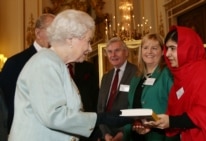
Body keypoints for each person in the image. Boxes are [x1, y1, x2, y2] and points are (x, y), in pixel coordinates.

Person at [8, 9, 133, 141]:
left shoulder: (57, 64)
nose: (90, 48)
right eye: (88, 41)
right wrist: (100, 118)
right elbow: (54, 116)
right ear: (70, 40)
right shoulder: (44, 63)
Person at [137, 26, 206, 141]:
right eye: (167, 48)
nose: (167, 54)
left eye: (172, 48)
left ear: (187, 48)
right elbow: (178, 114)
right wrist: (154, 125)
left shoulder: (204, 70)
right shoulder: (182, 74)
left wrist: (171, 121)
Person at [0, 13, 55, 133]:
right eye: (52, 30)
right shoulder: (15, 63)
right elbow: (8, 104)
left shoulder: (59, 62)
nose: (55, 36)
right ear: (38, 33)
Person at [122, 33, 180, 141]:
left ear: (163, 51)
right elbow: (131, 106)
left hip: (160, 135)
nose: (149, 52)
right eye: (145, 48)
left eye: (154, 48)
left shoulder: (168, 74)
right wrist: (135, 124)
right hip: (135, 135)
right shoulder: (136, 77)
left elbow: (176, 106)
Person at [97, 37, 137, 141]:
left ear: (126, 52)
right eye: (110, 52)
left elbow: (136, 107)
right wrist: (105, 134)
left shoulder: (136, 73)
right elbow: (100, 108)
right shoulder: (106, 77)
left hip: (127, 133)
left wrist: (123, 133)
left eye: (117, 50)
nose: (113, 55)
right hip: (107, 135)